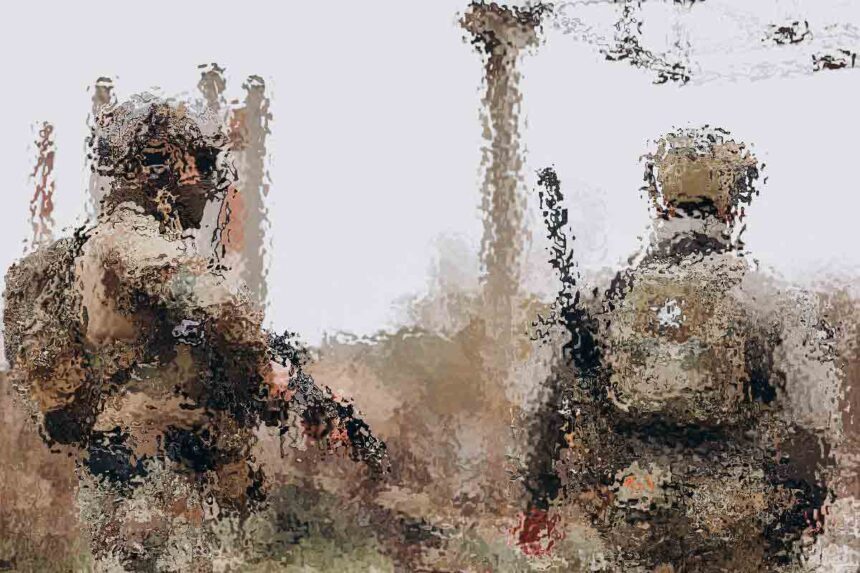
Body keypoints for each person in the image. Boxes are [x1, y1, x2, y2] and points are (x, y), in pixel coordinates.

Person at [3, 95, 386, 571]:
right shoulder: (128, 238)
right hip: (153, 472)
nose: (209, 182)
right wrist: (272, 374)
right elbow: (211, 303)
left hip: (141, 469)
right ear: (155, 165)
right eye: (200, 163)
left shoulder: (111, 244)